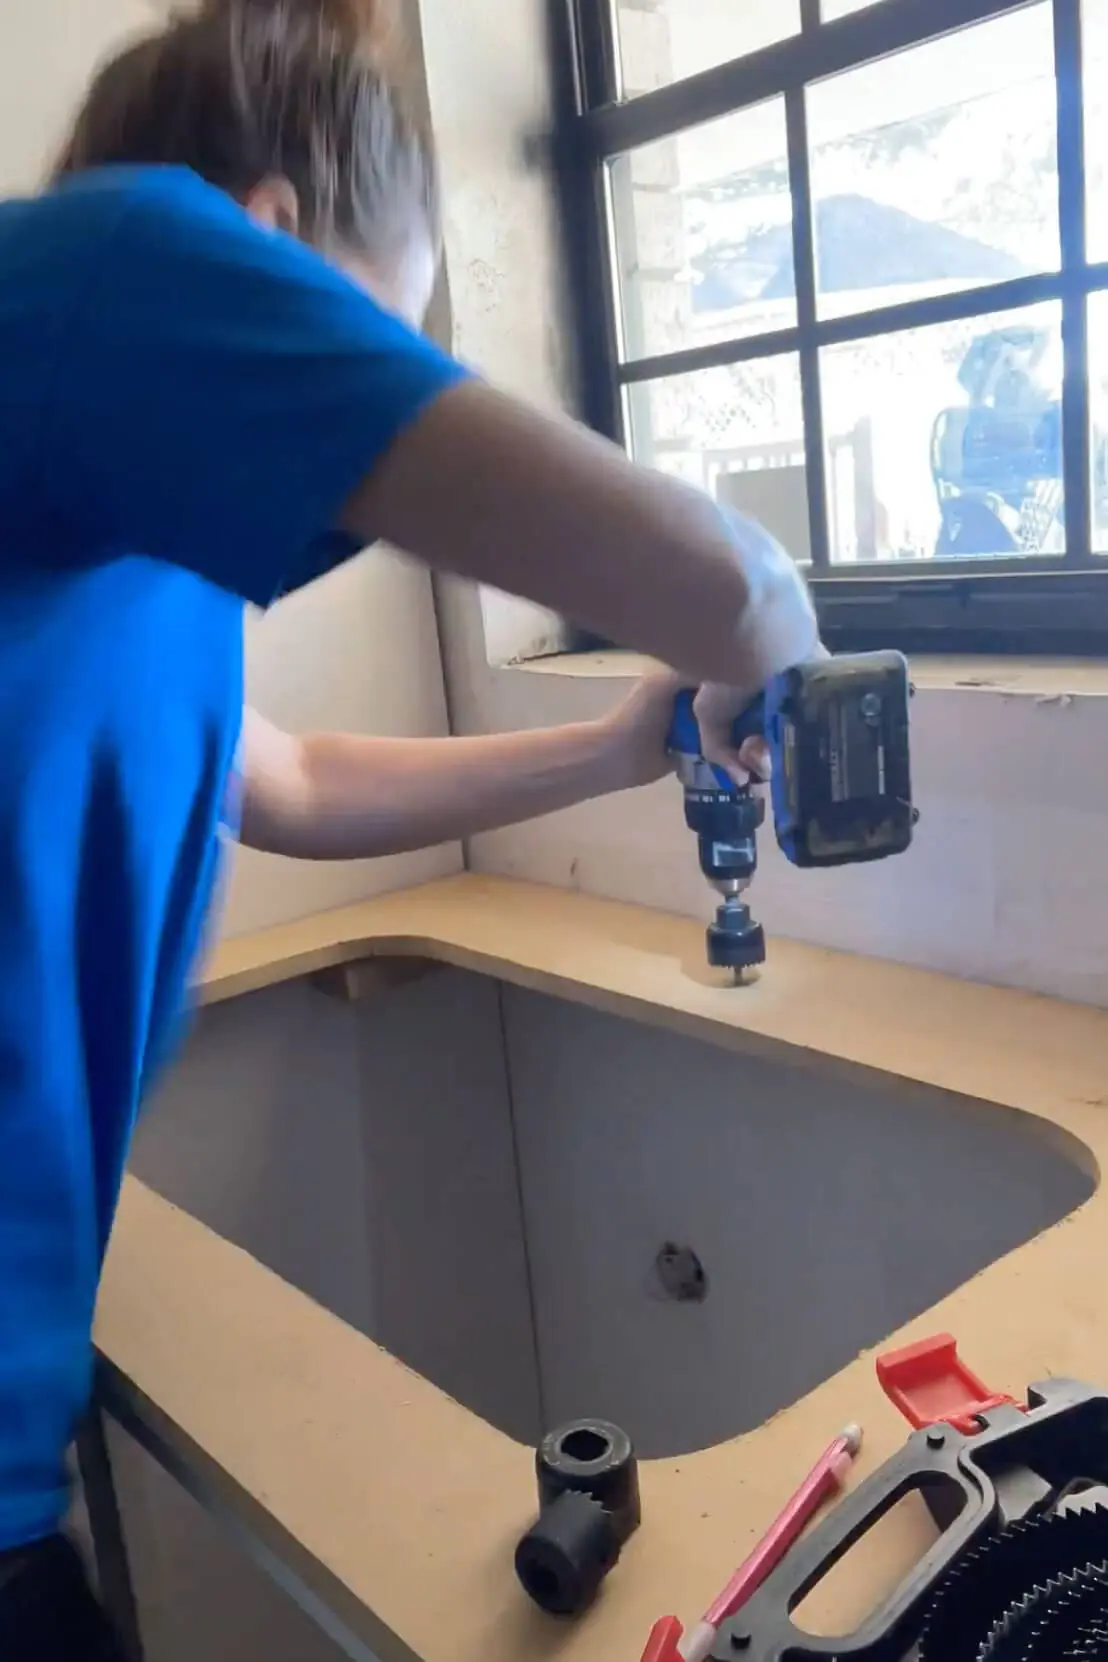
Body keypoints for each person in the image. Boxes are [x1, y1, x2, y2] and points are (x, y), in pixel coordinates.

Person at [0, 0, 822, 1653]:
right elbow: (719, 579)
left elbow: (281, 779)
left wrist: (610, 748)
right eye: (389, 320)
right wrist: (779, 633)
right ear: (273, 236)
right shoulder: (115, 257)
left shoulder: (123, 531)